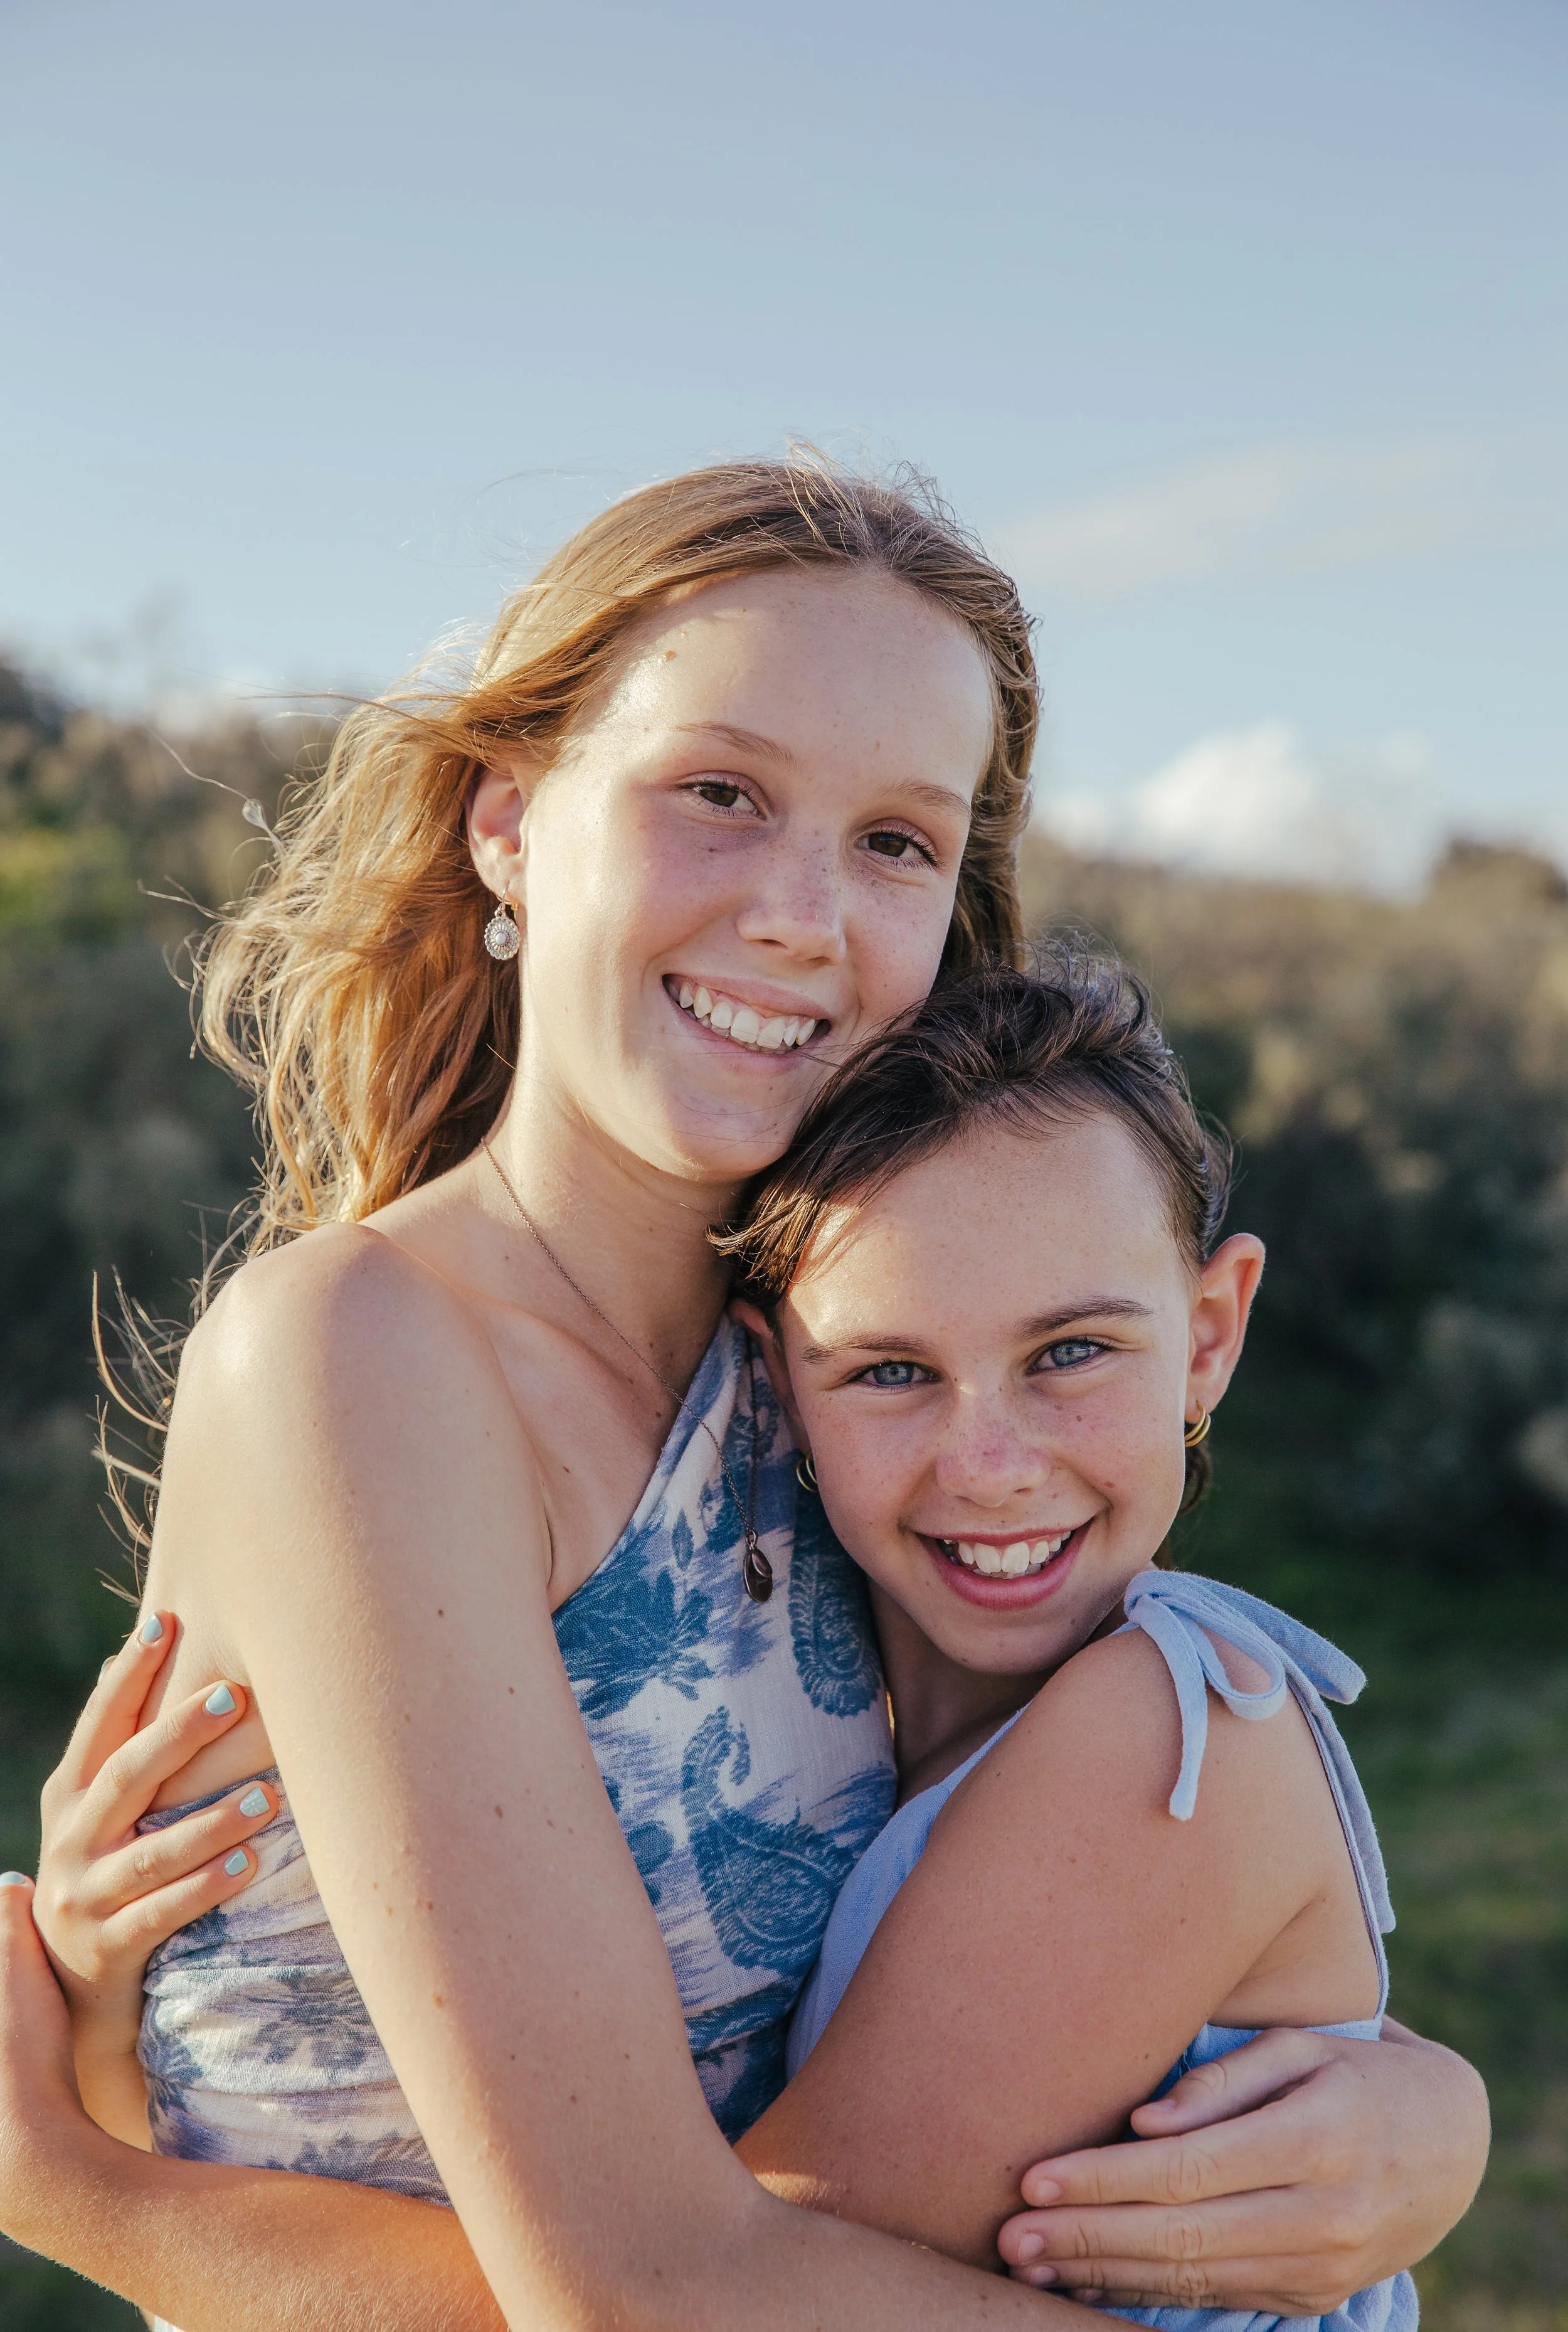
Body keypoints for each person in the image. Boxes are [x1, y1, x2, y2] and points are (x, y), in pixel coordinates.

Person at [0, 460, 1486, 2331]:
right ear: (511, 821)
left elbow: (1091, 1895)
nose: (800, 913)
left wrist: (1415, 2104)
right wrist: (91, 2190)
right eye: (719, 791)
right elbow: (620, 2280)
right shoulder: (361, 1355)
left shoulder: (838, 1386)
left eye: (894, 841)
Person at [721, 954, 1420, 2324]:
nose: (988, 1467)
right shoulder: (829, 1720)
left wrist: (170, 2191)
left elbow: (699, 2297)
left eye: (1071, 1353)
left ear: (1208, 1333)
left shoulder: (1168, 1730)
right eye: (888, 1371)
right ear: (771, 1385)